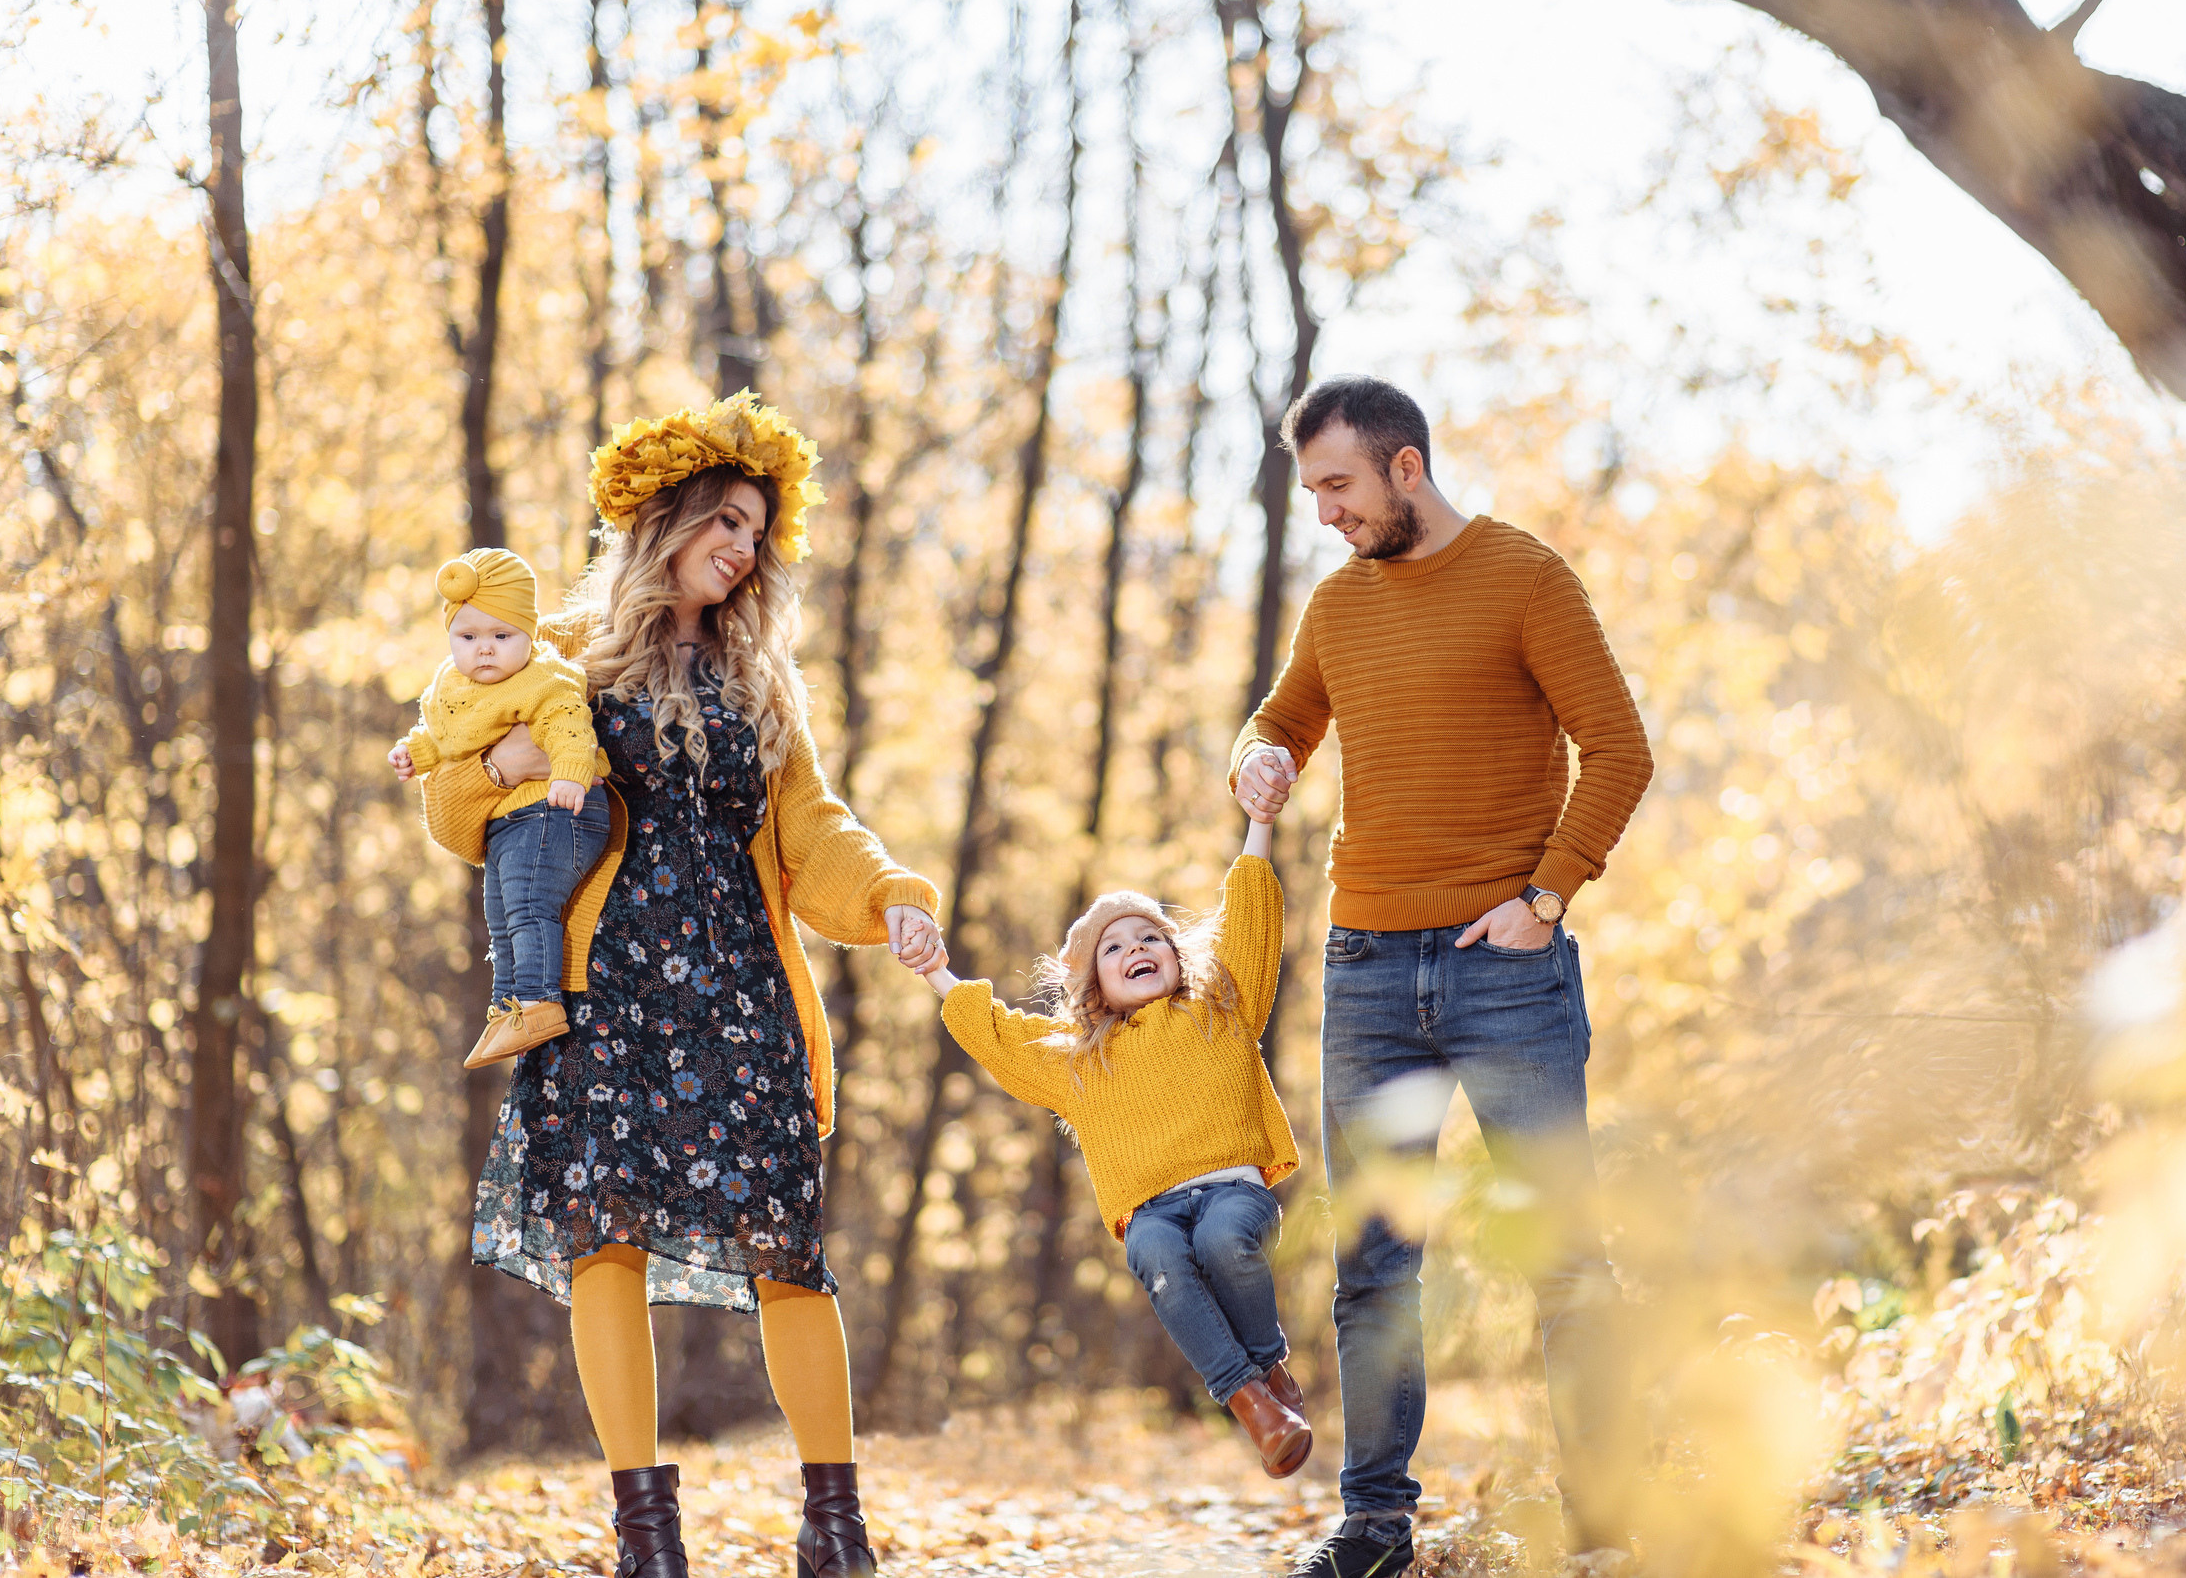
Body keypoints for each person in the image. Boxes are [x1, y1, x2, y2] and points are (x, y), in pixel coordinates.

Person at [418, 393, 944, 1578]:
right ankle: (646, 1538)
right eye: (726, 522)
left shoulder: (764, 679)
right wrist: (501, 761)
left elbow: (814, 830)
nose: (744, 548)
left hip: (741, 997)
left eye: (758, 530)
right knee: (605, 1242)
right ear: (666, 521)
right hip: (601, 992)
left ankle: (836, 1525)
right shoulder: (551, 652)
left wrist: (895, 892)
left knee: (787, 1246)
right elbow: (454, 802)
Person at [1233, 376, 1654, 1578]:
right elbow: (1276, 721)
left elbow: (1619, 747)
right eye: (1311, 488)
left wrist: (1547, 894)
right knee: (1373, 1261)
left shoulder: (1525, 577)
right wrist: (1257, 759)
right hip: (1365, 966)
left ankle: (1607, 1519)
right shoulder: (1335, 605)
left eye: (1338, 485)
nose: (1323, 511)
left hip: (1504, 970)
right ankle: (1373, 1524)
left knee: (1562, 1250)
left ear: (1404, 466)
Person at [915, 779, 1309, 1478]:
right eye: (1115, 945)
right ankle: (1254, 1404)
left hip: (1232, 1191)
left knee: (1222, 1240)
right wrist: (936, 972)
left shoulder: (1220, 1007)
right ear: (1093, 984)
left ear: (1176, 952)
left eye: (1151, 934)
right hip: (1152, 1211)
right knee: (1158, 1256)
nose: (1137, 946)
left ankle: (1269, 1364)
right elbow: (1002, 1039)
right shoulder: (1081, 1062)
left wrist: (1259, 823)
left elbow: (1249, 918)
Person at [389, 546, 612, 1069]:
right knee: (500, 914)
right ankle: (507, 1005)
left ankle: (538, 1001)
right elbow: (441, 737)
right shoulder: (452, 684)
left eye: (500, 636)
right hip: (508, 825)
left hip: (559, 810)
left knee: (531, 902)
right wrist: (414, 755)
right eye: (468, 637)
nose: (484, 650)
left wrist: (571, 776)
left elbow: (569, 729)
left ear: (528, 635)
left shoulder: (544, 677)